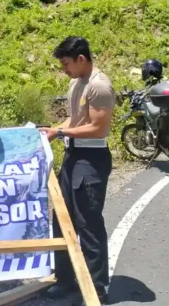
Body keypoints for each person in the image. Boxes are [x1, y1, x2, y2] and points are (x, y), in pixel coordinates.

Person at [41, 36, 115, 305]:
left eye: (66, 63)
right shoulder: (76, 83)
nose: (64, 69)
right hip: (73, 155)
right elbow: (76, 119)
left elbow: (98, 127)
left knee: (88, 222)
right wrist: (52, 130)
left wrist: (60, 131)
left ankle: (96, 289)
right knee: (62, 219)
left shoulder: (100, 86)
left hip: (92, 158)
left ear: (81, 59)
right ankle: (66, 280)